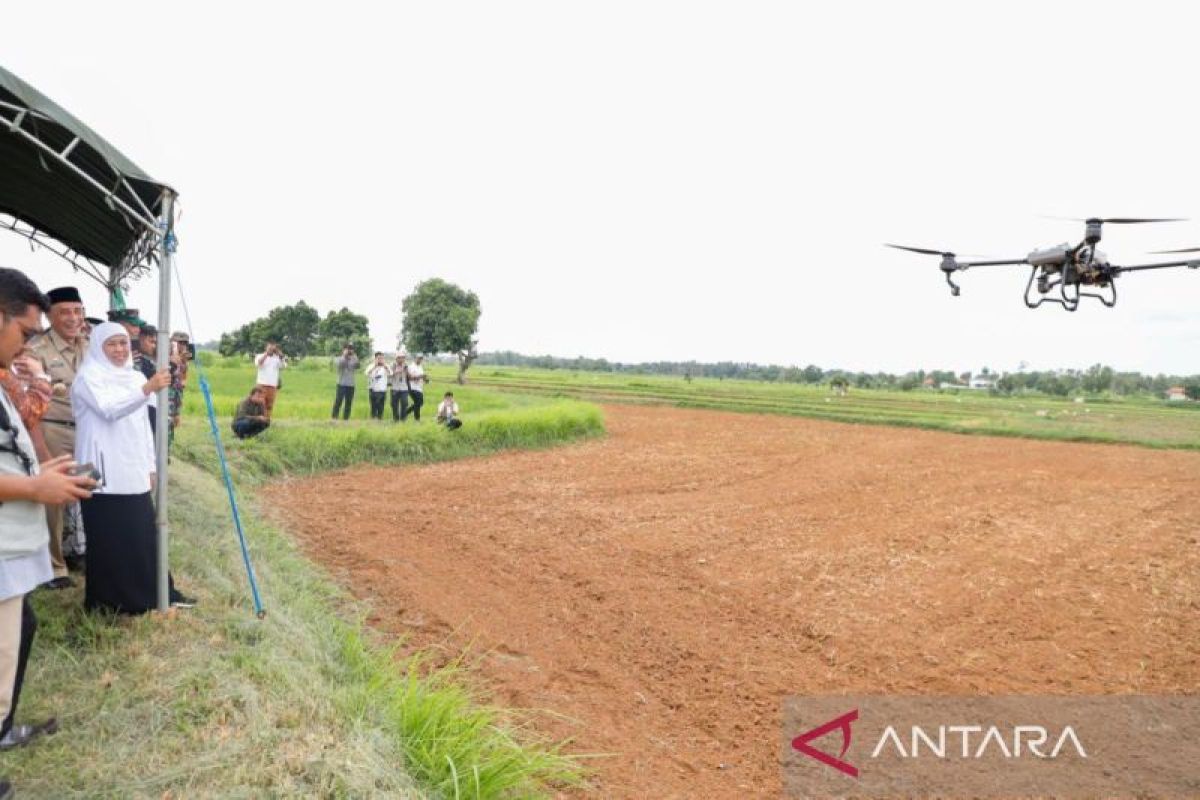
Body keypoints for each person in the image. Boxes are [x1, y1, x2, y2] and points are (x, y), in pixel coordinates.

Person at [0, 269, 96, 782]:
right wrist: (36, 488)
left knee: (24, 631)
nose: (26, 346)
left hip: (11, 549)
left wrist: (38, 473)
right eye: (24, 332)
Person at [71, 322, 194, 613]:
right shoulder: (88, 377)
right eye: (111, 344)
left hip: (130, 465)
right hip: (92, 467)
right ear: (99, 346)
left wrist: (151, 466)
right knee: (103, 536)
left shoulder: (134, 376)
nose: (119, 350)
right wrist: (147, 388)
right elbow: (109, 409)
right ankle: (107, 602)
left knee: (140, 534)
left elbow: (143, 426)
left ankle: (149, 594)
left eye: (123, 343)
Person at [28, 286, 90, 589]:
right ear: (50, 315)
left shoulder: (92, 346)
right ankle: (54, 568)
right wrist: (39, 446)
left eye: (78, 311)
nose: (73, 318)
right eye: (65, 311)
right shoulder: (36, 350)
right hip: (54, 430)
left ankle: (83, 551)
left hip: (90, 433)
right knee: (54, 501)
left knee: (91, 491)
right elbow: (29, 403)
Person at [254, 342, 285, 419]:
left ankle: (267, 421)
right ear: (266, 348)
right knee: (259, 404)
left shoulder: (277, 358)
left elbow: (283, 366)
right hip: (261, 385)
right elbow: (259, 363)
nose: (272, 349)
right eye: (270, 347)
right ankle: (258, 420)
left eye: (273, 348)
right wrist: (266, 354)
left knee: (270, 405)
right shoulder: (259, 356)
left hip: (272, 386)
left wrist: (280, 356)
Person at [331, 344, 358, 420]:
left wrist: (354, 357)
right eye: (347, 349)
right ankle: (334, 418)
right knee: (338, 401)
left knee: (348, 403)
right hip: (341, 384)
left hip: (351, 385)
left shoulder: (353, 358)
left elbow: (358, 365)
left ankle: (346, 419)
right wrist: (345, 356)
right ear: (343, 350)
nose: (349, 350)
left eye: (351, 349)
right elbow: (340, 364)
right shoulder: (339, 358)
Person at [364, 353, 391, 420]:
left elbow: (391, 373)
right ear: (375, 359)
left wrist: (385, 367)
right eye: (379, 358)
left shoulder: (385, 366)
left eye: (382, 358)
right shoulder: (371, 366)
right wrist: (374, 367)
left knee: (381, 405)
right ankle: (373, 419)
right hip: (373, 389)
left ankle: (380, 418)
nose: (380, 360)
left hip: (383, 389)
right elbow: (366, 373)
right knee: (374, 405)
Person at [406, 354, 428, 422]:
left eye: (421, 359)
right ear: (415, 358)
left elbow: (421, 377)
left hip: (419, 388)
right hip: (412, 387)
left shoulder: (420, 367)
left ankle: (404, 413)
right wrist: (420, 376)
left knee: (419, 403)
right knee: (418, 403)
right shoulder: (410, 367)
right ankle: (417, 419)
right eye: (418, 358)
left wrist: (425, 379)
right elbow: (409, 378)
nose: (420, 360)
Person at [389, 352, 410, 422]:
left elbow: (409, 376)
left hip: (404, 388)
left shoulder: (406, 365)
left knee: (404, 403)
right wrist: (397, 371)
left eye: (403, 358)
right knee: (394, 404)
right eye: (400, 358)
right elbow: (389, 375)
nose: (402, 359)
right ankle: (395, 419)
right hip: (394, 388)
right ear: (396, 358)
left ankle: (403, 419)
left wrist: (407, 372)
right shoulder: (392, 365)